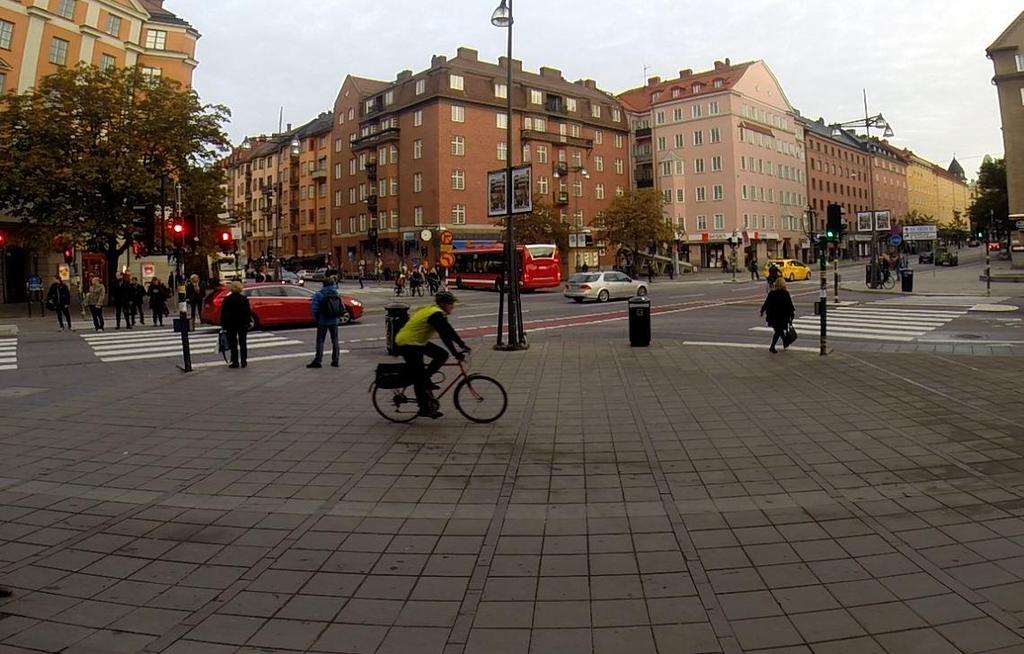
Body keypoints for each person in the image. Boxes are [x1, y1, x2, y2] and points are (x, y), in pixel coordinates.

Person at [395, 291, 470, 419]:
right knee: (419, 376)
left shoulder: (437, 313)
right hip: (407, 343)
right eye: (450, 303)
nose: (453, 306)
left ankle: (426, 378)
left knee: (442, 355)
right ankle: (423, 408)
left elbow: (449, 331)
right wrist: (456, 353)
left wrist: (462, 345)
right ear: (442, 304)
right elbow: (444, 336)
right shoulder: (435, 314)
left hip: (417, 342)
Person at [307, 276, 345, 369]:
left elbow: (314, 309)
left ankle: (318, 360)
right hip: (334, 321)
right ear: (333, 284)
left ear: (323, 284)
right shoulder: (336, 293)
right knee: (335, 341)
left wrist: (317, 318)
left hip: (323, 321)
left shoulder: (319, 294)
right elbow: (342, 307)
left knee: (320, 341)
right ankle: (335, 360)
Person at [220, 281, 251, 368]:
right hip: (242, 323)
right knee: (243, 343)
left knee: (233, 343)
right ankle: (244, 361)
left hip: (231, 324)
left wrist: (223, 324)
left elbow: (224, 313)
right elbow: (247, 312)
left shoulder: (228, 299)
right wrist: (247, 323)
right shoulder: (244, 299)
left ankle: (235, 361)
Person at [760, 278, 795, 353]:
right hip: (782, 316)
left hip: (773, 316)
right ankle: (772, 346)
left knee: (779, 330)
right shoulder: (785, 293)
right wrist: (792, 315)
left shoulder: (772, 293)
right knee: (779, 331)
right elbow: (789, 305)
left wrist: (762, 310)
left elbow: (766, 303)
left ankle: (785, 342)